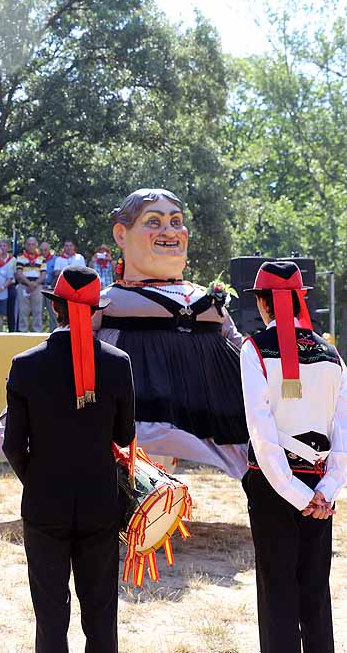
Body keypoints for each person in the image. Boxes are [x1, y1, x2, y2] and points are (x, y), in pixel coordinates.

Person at [4, 265, 134, 653]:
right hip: (99, 500)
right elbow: (124, 436)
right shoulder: (117, 362)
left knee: (49, 613)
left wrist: (39, 478)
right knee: (101, 612)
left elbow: (13, 444)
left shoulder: (25, 365)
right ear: (94, 311)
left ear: (55, 308)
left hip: (45, 502)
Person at [240, 260, 347, 653]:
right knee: (314, 590)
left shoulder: (253, 348)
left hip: (275, 482)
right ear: (298, 300)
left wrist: (296, 492)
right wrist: (327, 489)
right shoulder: (330, 353)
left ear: (263, 302)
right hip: (319, 487)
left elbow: (260, 429)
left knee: (276, 589)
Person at [95, 189, 249, 478]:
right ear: (121, 235)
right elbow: (71, 345)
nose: (170, 231)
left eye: (176, 222)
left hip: (208, 406)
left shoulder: (204, 297)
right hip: (140, 405)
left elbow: (235, 341)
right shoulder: (108, 301)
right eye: (154, 222)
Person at [15, 236, 46, 332]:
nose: (31, 246)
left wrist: (34, 284)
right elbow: (19, 273)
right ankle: (22, 332)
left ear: (36, 245)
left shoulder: (41, 259)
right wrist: (29, 284)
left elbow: (43, 274)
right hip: (24, 287)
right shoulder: (20, 258)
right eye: (29, 244)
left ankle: (37, 332)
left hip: (37, 288)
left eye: (33, 244)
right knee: (23, 311)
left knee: (38, 311)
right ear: (25, 245)